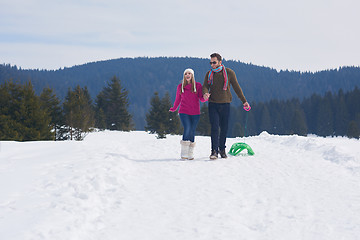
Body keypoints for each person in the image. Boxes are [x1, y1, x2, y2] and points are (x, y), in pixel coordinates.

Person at [203, 53, 250, 160]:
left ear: (220, 62)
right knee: (215, 128)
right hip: (213, 104)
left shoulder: (229, 73)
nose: (212, 65)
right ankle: (214, 151)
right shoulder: (209, 74)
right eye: (210, 62)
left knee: (224, 128)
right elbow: (205, 86)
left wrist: (244, 101)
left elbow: (237, 87)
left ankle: (222, 149)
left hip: (225, 104)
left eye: (214, 62)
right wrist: (205, 93)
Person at [170, 68, 208, 160]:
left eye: (189, 74)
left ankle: (190, 153)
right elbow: (178, 99)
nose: (187, 75)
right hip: (184, 111)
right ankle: (184, 153)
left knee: (192, 130)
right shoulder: (180, 86)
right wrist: (174, 108)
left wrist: (205, 97)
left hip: (195, 112)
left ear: (192, 75)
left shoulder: (198, 86)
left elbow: (201, 98)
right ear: (184, 76)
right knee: (187, 128)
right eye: (186, 73)